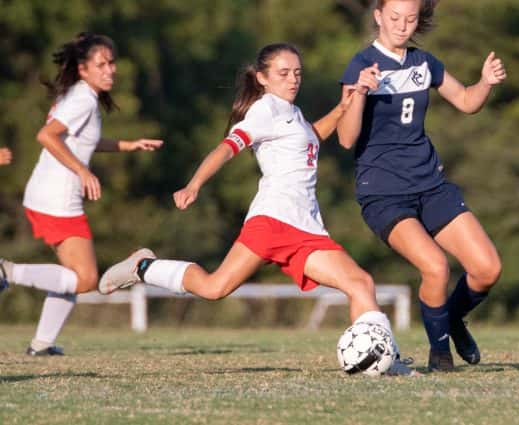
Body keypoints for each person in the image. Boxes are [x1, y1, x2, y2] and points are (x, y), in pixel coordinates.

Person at [98, 43, 418, 376]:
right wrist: (194, 184)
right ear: (262, 78)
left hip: (306, 227)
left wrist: (343, 106)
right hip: (273, 221)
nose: (293, 79)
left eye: (297, 73)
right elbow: (226, 148)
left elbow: (311, 137)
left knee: (361, 283)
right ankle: (143, 266)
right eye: (283, 73)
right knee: (214, 288)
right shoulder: (265, 111)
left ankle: (385, 361)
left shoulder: (292, 112)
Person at [337, 0, 506, 371]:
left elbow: (466, 101)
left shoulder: (424, 63)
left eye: (410, 18)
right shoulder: (361, 65)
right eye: (394, 17)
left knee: (487, 268)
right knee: (435, 266)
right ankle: (440, 355)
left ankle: (451, 319)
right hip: (383, 193)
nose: (402, 25)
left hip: (431, 184)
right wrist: (360, 93)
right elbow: (346, 139)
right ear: (379, 16)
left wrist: (486, 83)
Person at [0, 32, 163, 356]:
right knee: (86, 279)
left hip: (50, 194)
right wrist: (82, 170)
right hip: (57, 198)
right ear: (83, 69)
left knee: (73, 276)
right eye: (101, 64)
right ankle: (6, 271)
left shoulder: (81, 95)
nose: (110, 70)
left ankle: (42, 344)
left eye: (112, 63)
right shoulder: (81, 99)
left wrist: (126, 145)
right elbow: (47, 136)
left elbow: (81, 141)